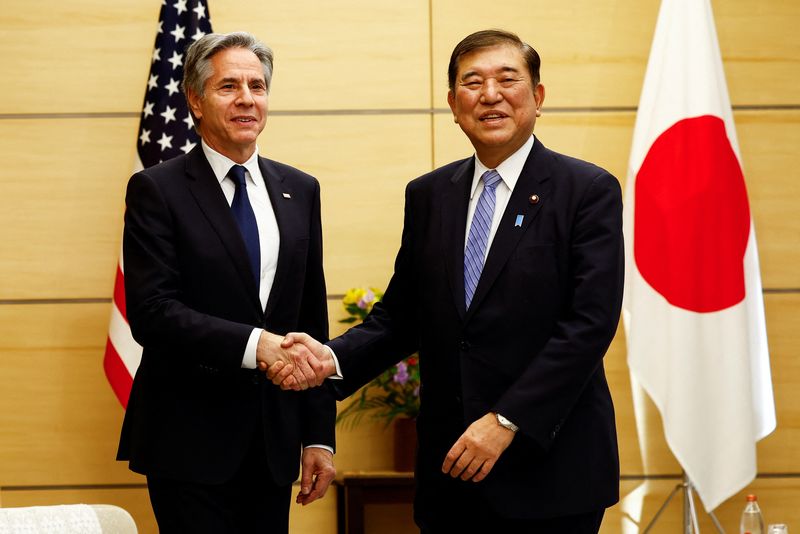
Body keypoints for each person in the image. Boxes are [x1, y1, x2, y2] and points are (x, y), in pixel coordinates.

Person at [271, 29, 624, 533]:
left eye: (507, 79)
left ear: (538, 97)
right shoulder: (430, 195)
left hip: (549, 471)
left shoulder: (586, 191)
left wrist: (506, 421)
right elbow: (400, 317)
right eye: (472, 82)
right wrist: (329, 360)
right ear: (454, 105)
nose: (490, 95)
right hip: (451, 473)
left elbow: (588, 326)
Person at [116, 31, 335, 534]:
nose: (246, 100)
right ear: (195, 99)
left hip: (273, 441)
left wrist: (319, 436)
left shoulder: (299, 190)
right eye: (228, 86)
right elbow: (152, 311)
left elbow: (310, 322)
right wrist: (258, 346)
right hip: (188, 440)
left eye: (257, 86)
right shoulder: (158, 189)